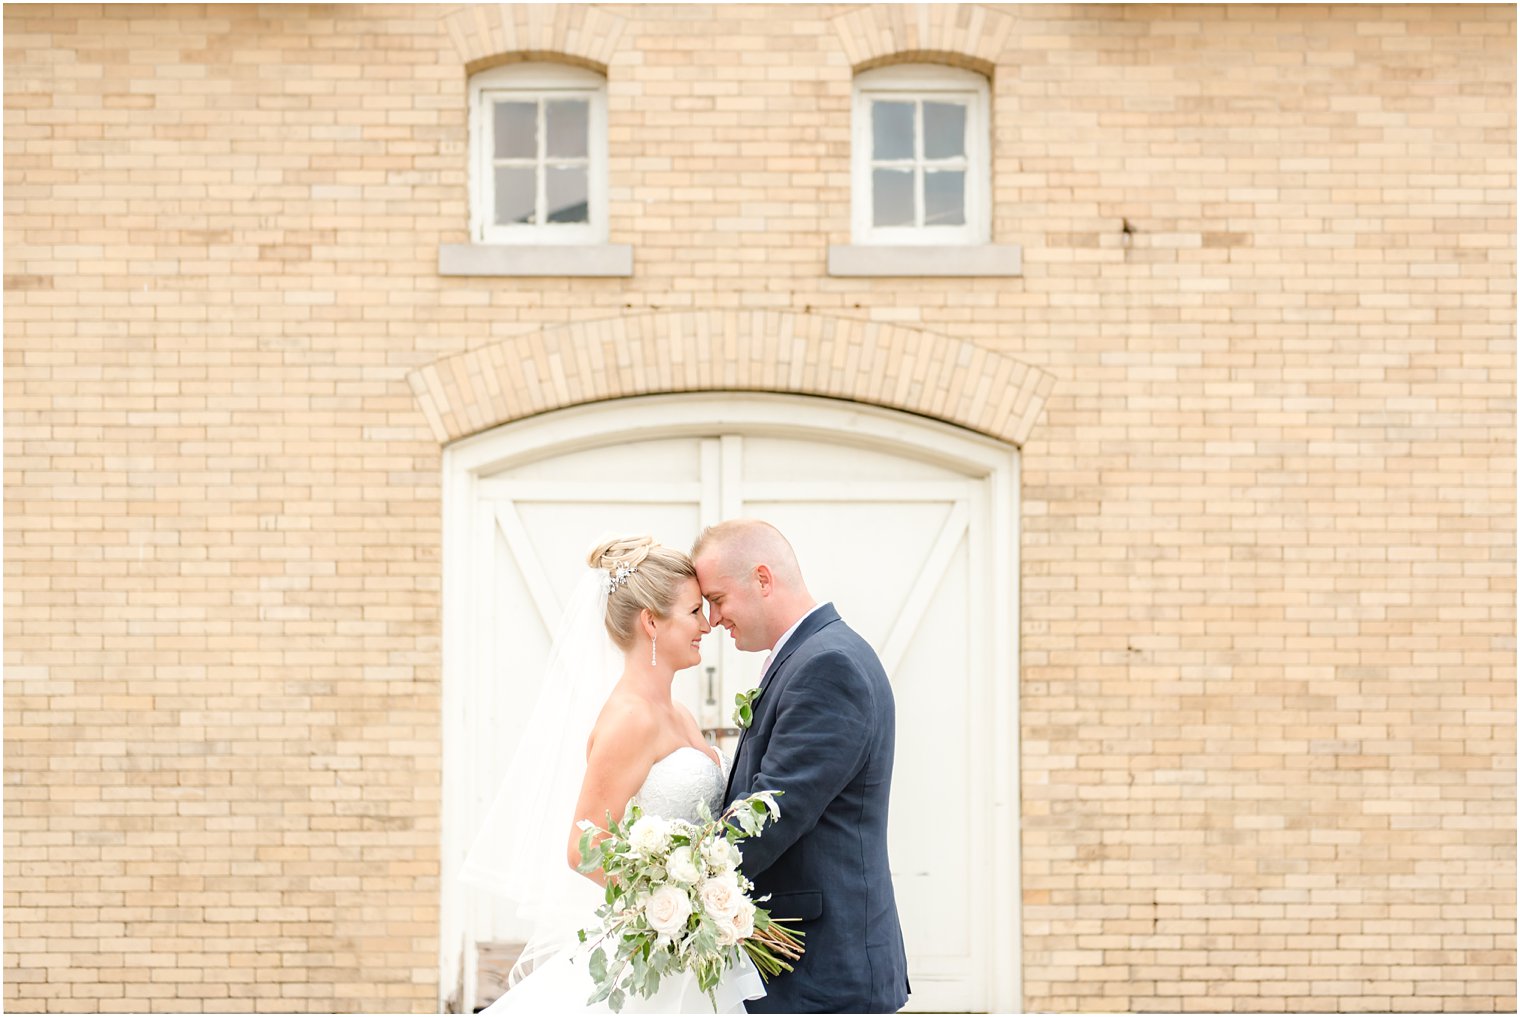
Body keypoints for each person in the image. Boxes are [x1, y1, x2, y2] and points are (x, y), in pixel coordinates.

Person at [464, 536, 765, 1013]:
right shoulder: (631, 719)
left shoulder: (680, 714)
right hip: (659, 949)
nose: (707, 625)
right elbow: (584, 846)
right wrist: (680, 908)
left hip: (695, 952)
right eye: (693, 612)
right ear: (651, 621)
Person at [693, 520, 911, 1014]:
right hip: (807, 965)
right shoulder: (812, 654)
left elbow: (773, 813)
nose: (712, 618)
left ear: (763, 579)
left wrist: (679, 880)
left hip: (824, 970)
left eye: (718, 598)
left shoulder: (827, 666)